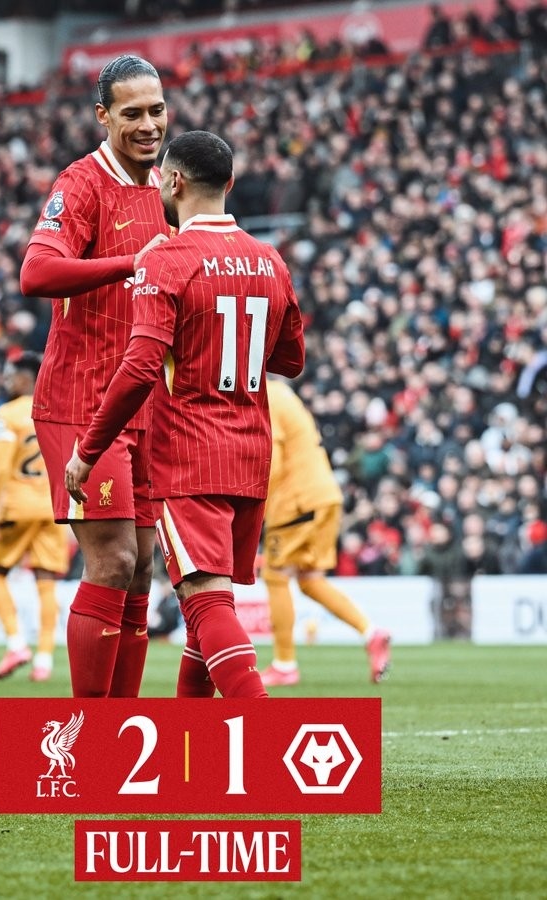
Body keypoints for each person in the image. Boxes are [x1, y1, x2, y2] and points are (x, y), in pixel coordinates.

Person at [65, 130, 305, 699]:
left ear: (172, 182)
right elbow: (291, 360)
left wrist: (88, 450)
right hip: (251, 454)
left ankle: (265, 734)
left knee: (206, 603)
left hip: (192, 454)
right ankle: (192, 743)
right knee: (204, 615)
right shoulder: (270, 260)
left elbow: (140, 367)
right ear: (230, 183)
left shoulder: (167, 260)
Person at [20, 55, 171, 698]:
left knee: (140, 572)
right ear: (103, 116)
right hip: (82, 402)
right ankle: (89, 733)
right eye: (132, 113)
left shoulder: (166, 186)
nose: (148, 124)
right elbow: (36, 273)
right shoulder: (81, 183)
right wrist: (130, 262)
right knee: (112, 560)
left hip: (145, 404)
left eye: (156, 110)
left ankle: (124, 725)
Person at [259, 377, 392, 687]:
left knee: (275, 575)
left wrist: (256, 507)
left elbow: (272, 462)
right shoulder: (284, 394)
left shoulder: (266, 396)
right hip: (323, 494)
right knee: (309, 580)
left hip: (296, 500)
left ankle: (284, 664)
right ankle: (371, 632)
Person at [0, 352, 69, 682]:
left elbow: (0, 467)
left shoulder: (9, 413)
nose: (8, 381)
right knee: (46, 582)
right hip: (52, 506)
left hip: (17, 507)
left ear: (26, 377)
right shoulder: (58, 408)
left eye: (12, 376)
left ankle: (17, 644)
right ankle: (44, 659)